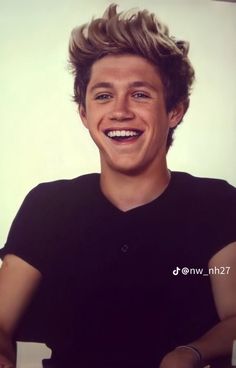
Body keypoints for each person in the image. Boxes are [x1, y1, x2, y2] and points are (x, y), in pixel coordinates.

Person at [0, 4, 235, 368]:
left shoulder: (217, 203)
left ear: (175, 111)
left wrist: (189, 354)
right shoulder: (47, 206)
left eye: (140, 94)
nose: (120, 111)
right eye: (103, 95)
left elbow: (234, 317)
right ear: (84, 113)